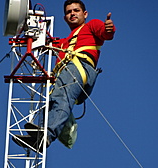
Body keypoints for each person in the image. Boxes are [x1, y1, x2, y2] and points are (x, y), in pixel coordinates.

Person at [13, 0, 115, 151]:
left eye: (76, 10)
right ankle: (39, 136)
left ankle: (46, 135)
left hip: (78, 68)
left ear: (84, 14)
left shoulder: (91, 25)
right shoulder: (62, 43)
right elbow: (40, 43)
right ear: (64, 17)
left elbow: (105, 33)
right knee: (52, 103)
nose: (72, 14)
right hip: (66, 73)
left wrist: (109, 28)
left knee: (62, 98)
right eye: (69, 12)